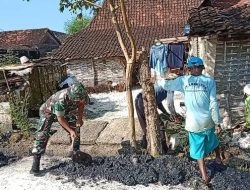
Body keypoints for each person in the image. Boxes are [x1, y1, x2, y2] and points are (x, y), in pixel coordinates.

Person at [158, 56, 222, 184]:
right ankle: (218, 157)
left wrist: (163, 76)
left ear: (189, 68)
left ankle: (205, 177)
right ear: (202, 68)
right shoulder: (209, 81)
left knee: (198, 151)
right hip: (208, 120)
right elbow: (213, 102)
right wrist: (217, 122)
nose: (195, 69)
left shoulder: (184, 80)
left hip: (193, 123)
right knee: (213, 139)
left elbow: (165, 85)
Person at [30, 83, 89, 174]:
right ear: (71, 95)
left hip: (66, 110)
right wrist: (70, 131)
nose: (79, 100)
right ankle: (35, 163)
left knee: (76, 127)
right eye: (77, 99)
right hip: (48, 111)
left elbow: (81, 104)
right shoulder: (60, 99)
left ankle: (76, 153)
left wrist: (79, 119)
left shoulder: (81, 95)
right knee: (43, 133)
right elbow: (60, 119)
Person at [135, 83, 173, 149]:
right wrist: (173, 113)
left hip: (138, 98)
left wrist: (165, 112)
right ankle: (164, 147)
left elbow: (158, 102)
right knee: (160, 125)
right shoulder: (170, 88)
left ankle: (144, 146)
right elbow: (170, 104)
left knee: (145, 125)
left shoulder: (162, 86)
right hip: (144, 101)